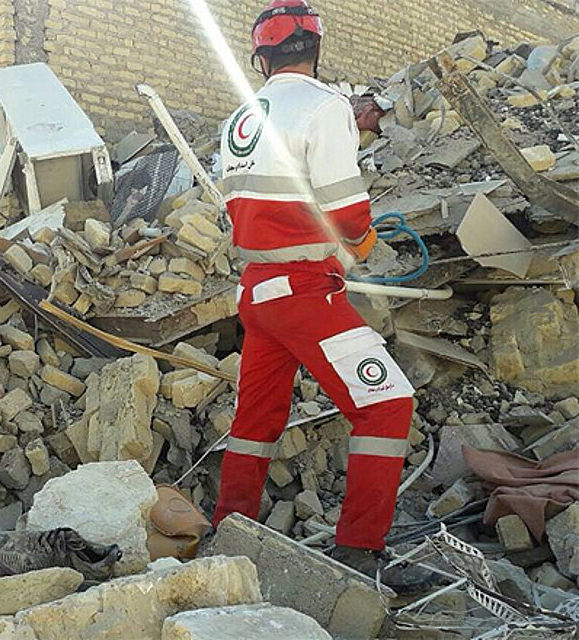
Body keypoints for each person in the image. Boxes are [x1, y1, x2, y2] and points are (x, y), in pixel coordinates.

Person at [213, 0, 432, 592]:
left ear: (260, 57)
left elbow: (238, 205)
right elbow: (346, 208)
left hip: (257, 292)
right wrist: (359, 244)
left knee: (255, 422)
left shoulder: (237, 119)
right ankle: (360, 551)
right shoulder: (326, 106)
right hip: (306, 291)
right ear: (314, 50)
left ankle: (228, 535)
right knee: (387, 405)